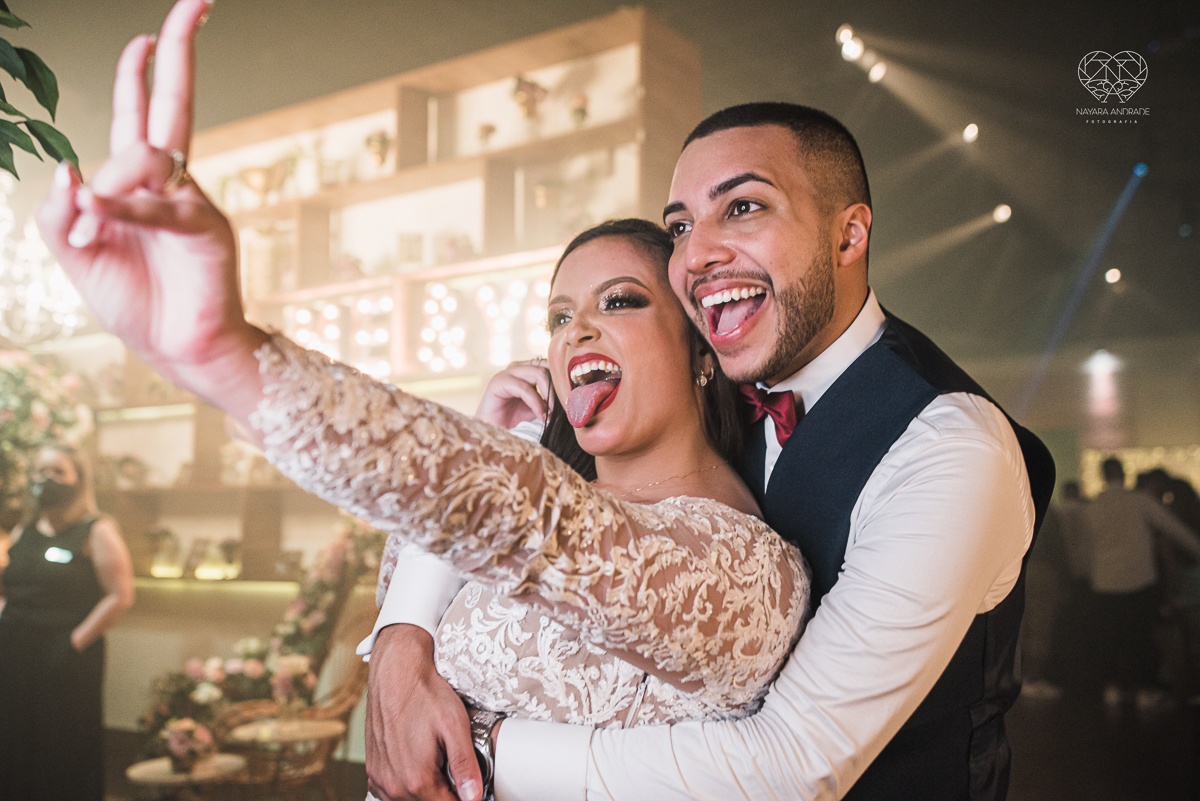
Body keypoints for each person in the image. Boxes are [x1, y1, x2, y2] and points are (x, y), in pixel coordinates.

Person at [36, 5, 809, 801]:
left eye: (618, 301)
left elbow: (543, 525)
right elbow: (433, 558)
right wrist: (406, 633)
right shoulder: (541, 494)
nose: (576, 331)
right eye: (557, 315)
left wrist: (230, 358)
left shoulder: (747, 568)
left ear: (700, 351)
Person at [364, 108, 1057, 799]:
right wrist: (402, 639)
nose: (694, 256)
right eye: (681, 228)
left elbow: (790, 763)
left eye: (743, 207)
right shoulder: (701, 398)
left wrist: (475, 750)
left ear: (849, 234)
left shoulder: (951, 447)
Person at [0, 444, 135, 801]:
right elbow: (8, 586)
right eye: (40, 472)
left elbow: (120, 595)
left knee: (63, 744)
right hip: (15, 652)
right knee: (16, 739)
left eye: (58, 472)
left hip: (67, 656)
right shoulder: (23, 532)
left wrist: (74, 641)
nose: (48, 480)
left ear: (78, 479)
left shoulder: (97, 530)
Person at [1085, 457, 1200, 710]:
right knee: (1140, 638)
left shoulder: (1093, 506)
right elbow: (1174, 529)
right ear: (1123, 473)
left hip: (1104, 583)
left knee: (1111, 638)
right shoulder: (1138, 501)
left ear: (1103, 476)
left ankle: (1114, 687)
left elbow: (1086, 547)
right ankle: (1145, 690)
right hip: (1139, 581)